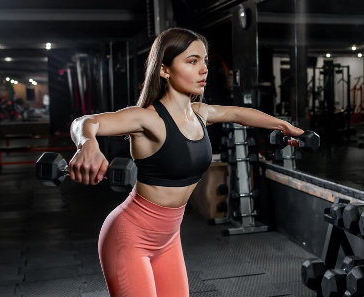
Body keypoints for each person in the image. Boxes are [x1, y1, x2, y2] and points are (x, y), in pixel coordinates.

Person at [69, 27, 304, 297]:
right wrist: (87, 144)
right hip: (128, 238)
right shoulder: (147, 119)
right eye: (192, 61)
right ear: (164, 70)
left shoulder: (200, 113)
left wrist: (283, 125)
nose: (203, 69)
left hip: (168, 239)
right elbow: (86, 122)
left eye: (205, 61)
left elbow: (238, 113)